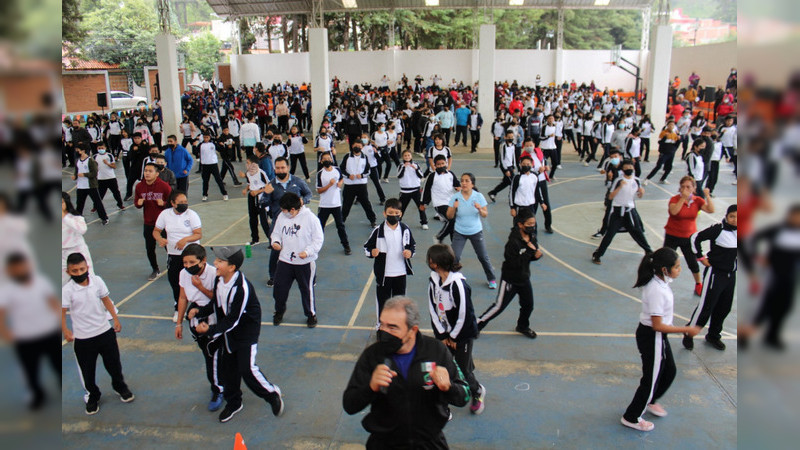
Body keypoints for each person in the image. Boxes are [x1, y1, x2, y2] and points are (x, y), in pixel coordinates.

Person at [342, 296, 470, 448]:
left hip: (429, 444)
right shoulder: (372, 356)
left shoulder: (436, 351)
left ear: (412, 330)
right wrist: (370, 387)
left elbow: (465, 394)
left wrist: (449, 387)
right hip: (384, 445)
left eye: (392, 327)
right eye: (382, 325)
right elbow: (349, 404)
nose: (384, 332)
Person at [188, 246, 284, 423]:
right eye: (216, 259)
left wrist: (209, 330)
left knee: (247, 368)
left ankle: (271, 394)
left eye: (220, 261)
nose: (215, 263)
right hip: (228, 329)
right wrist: (200, 312)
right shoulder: (219, 280)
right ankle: (234, 403)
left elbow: (234, 319)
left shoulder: (241, 288)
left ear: (231, 267)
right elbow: (216, 303)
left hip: (245, 331)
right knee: (228, 368)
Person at [620, 248, 701, 432]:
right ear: (665, 269)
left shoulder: (661, 281)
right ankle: (631, 417)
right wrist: (686, 329)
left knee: (669, 370)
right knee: (651, 379)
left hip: (657, 336)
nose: (680, 270)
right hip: (652, 336)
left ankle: (651, 400)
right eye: (677, 267)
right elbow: (657, 325)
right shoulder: (656, 290)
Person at [62, 252, 135, 415]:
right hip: (83, 339)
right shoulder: (67, 290)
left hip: (104, 333)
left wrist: (115, 318)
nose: (79, 273)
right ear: (68, 272)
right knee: (87, 371)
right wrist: (65, 330)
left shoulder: (97, 281)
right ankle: (93, 395)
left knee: (114, 364)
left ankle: (119, 386)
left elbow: (106, 300)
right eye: (75, 271)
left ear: (87, 267)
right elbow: (61, 311)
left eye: (82, 269)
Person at [426, 244, 485, 415]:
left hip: (462, 335)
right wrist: (442, 335)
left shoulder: (458, 284)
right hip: (445, 335)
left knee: (462, 369)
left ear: (434, 263)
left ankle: (477, 391)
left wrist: (453, 337)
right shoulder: (434, 281)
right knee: (441, 366)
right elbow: (432, 309)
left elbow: (464, 314)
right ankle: (443, 403)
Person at [0, 253, 61, 410]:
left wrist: (59, 323)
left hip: (49, 333)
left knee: (57, 365)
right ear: (10, 270)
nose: (20, 270)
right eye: (16, 268)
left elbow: (53, 303)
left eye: (22, 267)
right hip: (25, 338)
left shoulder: (41, 282)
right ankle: (38, 395)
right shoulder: (7, 290)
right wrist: (5, 334)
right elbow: (2, 314)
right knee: (31, 371)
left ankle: (60, 386)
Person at [477, 208, 543, 338]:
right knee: (499, 307)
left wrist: (536, 256)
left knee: (528, 305)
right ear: (520, 224)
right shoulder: (513, 242)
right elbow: (514, 263)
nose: (532, 226)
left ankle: (522, 326)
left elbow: (529, 257)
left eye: (533, 224)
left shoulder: (532, 237)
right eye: (529, 224)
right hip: (510, 279)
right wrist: (530, 252)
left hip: (524, 278)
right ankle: (477, 324)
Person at [174, 244, 224, 411]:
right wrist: (179, 322)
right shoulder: (184, 274)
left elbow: (218, 299)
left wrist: (200, 287)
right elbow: (182, 297)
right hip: (196, 317)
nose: (188, 266)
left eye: (192, 262)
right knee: (208, 353)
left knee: (213, 355)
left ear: (203, 261)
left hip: (213, 315)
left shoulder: (214, 274)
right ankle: (219, 382)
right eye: (185, 263)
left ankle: (218, 389)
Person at [682, 205, 737, 351]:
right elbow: (695, 238)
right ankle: (689, 332)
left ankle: (713, 335)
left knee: (724, 307)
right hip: (715, 274)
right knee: (706, 306)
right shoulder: (718, 230)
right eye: (732, 216)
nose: (735, 220)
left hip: (731, 275)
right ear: (726, 216)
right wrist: (700, 257)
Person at [271, 193, 324, 328]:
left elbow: (318, 240)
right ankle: (279, 311)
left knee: (306, 290)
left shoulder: (311, 219)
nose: (283, 212)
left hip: (304, 263)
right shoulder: (282, 216)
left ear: (293, 209)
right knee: (279, 289)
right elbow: (276, 233)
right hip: (285, 261)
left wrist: (307, 252)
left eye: (285, 210)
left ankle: (311, 314)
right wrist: (276, 241)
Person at [364, 199, 416, 325]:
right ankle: (381, 326)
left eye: (396, 213)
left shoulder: (405, 229)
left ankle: (399, 325)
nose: (394, 215)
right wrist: (372, 253)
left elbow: (412, 246)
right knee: (383, 303)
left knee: (400, 303)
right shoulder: (378, 231)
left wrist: (410, 253)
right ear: (384, 213)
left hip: (400, 273)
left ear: (401, 214)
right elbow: (367, 247)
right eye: (390, 213)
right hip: (384, 275)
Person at [263, 157, 313, 287]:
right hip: (279, 222)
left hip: (298, 222)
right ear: (274, 169)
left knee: (303, 246)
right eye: (278, 168)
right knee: (275, 248)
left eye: (283, 167)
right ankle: (273, 276)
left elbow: (309, 194)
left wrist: (303, 201)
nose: (280, 170)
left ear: (288, 168)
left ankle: (310, 275)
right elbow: (263, 203)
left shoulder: (298, 181)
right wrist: (266, 194)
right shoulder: (271, 185)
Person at [592, 159, 652, 264]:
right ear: (622, 169)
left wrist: (641, 192)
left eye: (630, 167)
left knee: (637, 232)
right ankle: (597, 255)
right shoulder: (618, 180)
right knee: (610, 234)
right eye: (626, 167)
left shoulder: (636, 180)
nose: (628, 169)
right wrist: (620, 187)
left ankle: (649, 252)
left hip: (630, 211)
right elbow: (610, 196)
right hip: (618, 212)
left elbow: (639, 195)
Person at [154, 191, 203, 321]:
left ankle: (197, 307)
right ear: (173, 203)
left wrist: (185, 240)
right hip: (174, 254)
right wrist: (160, 239)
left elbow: (198, 234)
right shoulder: (165, 214)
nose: (184, 204)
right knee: (175, 282)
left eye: (185, 202)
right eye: (181, 202)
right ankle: (178, 308)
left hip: (191, 254)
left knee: (195, 280)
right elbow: (156, 231)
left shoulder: (192, 215)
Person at [663, 176, 715, 296]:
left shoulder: (697, 201)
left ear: (694, 188)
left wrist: (707, 196)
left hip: (688, 237)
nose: (685, 189)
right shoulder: (674, 199)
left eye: (688, 187)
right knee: (666, 261)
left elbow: (711, 210)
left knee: (693, 262)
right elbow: (674, 212)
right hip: (672, 235)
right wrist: (683, 198)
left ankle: (698, 284)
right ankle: (662, 282)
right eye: (683, 187)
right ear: (679, 188)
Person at [446, 173, 497, 289]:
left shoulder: (478, 196)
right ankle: (452, 278)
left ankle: (491, 279)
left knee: (483, 256)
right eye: (462, 181)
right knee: (454, 257)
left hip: (475, 231)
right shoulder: (455, 197)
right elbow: (449, 216)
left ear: (472, 184)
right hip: (459, 231)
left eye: (467, 181)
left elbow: (485, 214)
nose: (464, 183)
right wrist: (454, 207)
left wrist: (479, 209)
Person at [134, 163, 172, 281]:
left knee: (169, 246)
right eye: (146, 170)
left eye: (150, 171)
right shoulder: (139, 186)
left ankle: (172, 266)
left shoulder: (164, 186)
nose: (147, 173)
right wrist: (138, 204)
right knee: (149, 248)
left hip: (164, 224)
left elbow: (173, 204)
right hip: (148, 222)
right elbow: (137, 202)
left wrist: (164, 203)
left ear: (157, 174)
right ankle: (155, 269)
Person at [316, 152, 351, 255]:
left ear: (331, 159)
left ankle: (346, 245)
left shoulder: (337, 170)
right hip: (324, 205)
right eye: (324, 159)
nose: (327, 160)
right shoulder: (320, 174)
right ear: (321, 161)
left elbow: (341, 178)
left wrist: (340, 183)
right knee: (320, 227)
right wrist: (329, 185)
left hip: (336, 204)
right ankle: (316, 246)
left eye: (328, 158)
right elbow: (319, 190)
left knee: (340, 226)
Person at [422, 155, 461, 244]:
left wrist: (458, 188)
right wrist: (423, 203)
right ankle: (439, 237)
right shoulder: (432, 176)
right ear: (435, 165)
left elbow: (456, 184)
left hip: (451, 202)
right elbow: (426, 190)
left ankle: (454, 245)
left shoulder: (450, 174)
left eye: (443, 163)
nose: (441, 166)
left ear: (446, 163)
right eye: (438, 164)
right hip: (439, 204)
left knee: (454, 223)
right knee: (452, 220)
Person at [340, 143, 377, 228]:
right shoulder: (347, 156)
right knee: (346, 204)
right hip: (349, 184)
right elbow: (341, 169)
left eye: (359, 146)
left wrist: (362, 175)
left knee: (366, 203)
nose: (357, 147)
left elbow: (368, 170)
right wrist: (348, 176)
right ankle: (342, 220)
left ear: (362, 147)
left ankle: (372, 220)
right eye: (355, 145)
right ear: (352, 146)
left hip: (361, 184)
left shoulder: (365, 157)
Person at [62, 192, 94, 286]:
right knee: (63, 280)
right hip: (62, 253)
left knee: (88, 276)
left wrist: (64, 217)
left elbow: (82, 229)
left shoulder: (75, 217)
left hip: (78, 250)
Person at [72, 145, 109, 225]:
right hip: (80, 186)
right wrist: (75, 176)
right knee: (79, 204)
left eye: (78, 150)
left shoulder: (90, 161)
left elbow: (94, 173)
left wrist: (84, 174)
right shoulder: (77, 161)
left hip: (90, 186)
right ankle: (78, 219)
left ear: (83, 151)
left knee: (97, 203)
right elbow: (77, 171)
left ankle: (104, 218)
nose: (77, 152)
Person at [242, 154, 272, 246]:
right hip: (252, 197)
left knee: (264, 221)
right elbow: (249, 183)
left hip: (261, 197)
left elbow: (268, 186)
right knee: (252, 218)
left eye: (248, 163)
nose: (246, 164)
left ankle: (272, 241)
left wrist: (258, 191)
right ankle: (255, 239)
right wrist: (246, 189)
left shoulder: (261, 173)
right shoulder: (248, 173)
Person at [397, 149, 427, 229]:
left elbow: (421, 175)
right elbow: (399, 175)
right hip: (404, 191)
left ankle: (424, 222)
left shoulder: (416, 165)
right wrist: (404, 167)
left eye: (408, 155)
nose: (407, 157)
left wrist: (415, 169)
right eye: (405, 155)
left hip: (416, 190)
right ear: (403, 157)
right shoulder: (400, 166)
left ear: (411, 156)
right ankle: (397, 221)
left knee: (421, 207)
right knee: (401, 208)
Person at [644, 120, 680, 185]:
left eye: (673, 125)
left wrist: (679, 140)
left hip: (671, 153)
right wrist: (664, 137)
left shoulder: (675, 134)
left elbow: (676, 145)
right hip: (664, 153)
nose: (671, 126)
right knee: (658, 166)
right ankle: (647, 179)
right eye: (670, 125)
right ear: (667, 125)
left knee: (669, 168)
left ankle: (663, 179)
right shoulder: (663, 133)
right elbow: (660, 142)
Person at [92, 143, 125, 211]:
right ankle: (96, 206)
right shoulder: (95, 156)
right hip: (100, 178)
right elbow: (93, 167)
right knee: (100, 194)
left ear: (105, 148)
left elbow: (114, 166)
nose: (101, 149)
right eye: (99, 148)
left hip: (111, 178)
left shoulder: (109, 155)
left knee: (116, 192)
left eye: (102, 148)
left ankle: (120, 204)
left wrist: (107, 163)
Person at [197, 133, 229, 202]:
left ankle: (224, 194)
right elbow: (196, 151)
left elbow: (220, 149)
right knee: (205, 181)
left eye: (207, 137)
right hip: (205, 165)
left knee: (218, 180)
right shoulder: (201, 145)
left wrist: (223, 145)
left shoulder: (213, 144)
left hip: (213, 164)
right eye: (204, 137)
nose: (206, 139)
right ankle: (205, 195)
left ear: (209, 137)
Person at [487, 131, 517, 202]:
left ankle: (493, 193)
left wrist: (514, 166)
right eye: (509, 137)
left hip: (510, 166)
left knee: (506, 182)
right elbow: (502, 159)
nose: (511, 138)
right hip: (505, 166)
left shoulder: (513, 145)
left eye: (512, 137)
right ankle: (511, 197)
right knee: (513, 182)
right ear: (505, 137)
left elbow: (513, 156)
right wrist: (506, 170)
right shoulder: (503, 146)